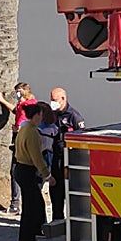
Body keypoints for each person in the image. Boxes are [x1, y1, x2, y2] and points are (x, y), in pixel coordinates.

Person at [13, 102, 54, 241]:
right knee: (31, 207)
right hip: (27, 170)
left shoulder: (24, 128)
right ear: (37, 116)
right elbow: (36, 156)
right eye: (40, 115)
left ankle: (32, 236)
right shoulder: (32, 132)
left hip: (20, 168)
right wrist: (47, 175)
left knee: (33, 205)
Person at [0, 82, 36, 214]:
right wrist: (2, 101)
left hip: (20, 141)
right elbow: (15, 110)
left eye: (18, 92)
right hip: (26, 141)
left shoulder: (26, 105)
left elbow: (20, 123)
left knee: (15, 171)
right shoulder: (28, 104)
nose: (16, 94)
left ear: (24, 92)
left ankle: (15, 204)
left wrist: (17, 129)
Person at [47, 88, 85, 222]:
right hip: (55, 157)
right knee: (55, 189)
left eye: (55, 100)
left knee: (70, 190)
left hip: (70, 159)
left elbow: (82, 138)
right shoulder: (52, 114)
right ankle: (57, 219)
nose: (52, 103)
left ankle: (73, 221)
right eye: (51, 100)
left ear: (63, 99)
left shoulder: (74, 116)